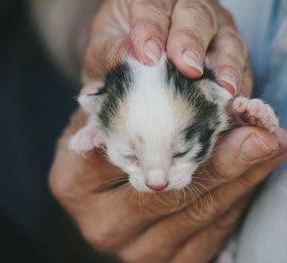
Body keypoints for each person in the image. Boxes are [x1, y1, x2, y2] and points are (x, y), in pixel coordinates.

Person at [47, 0, 287, 262]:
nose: (156, 182)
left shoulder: (210, 99)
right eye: (130, 156)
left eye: (180, 151)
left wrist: (233, 109)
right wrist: (90, 30)